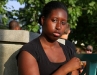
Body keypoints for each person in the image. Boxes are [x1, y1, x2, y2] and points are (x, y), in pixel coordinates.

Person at [16, 1, 81, 75]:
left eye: (63, 23)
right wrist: (65, 69)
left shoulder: (68, 51)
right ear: (43, 20)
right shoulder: (29, 52)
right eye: (54, 20)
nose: (58, 27)